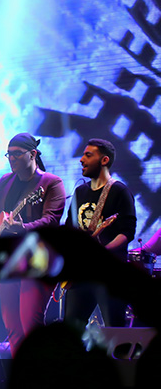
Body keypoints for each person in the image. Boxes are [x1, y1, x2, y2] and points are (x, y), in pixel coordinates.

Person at [0, 133, 65, 354]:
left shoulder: (51, 183)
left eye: (16, 154)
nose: (11, 158)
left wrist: (22, 227)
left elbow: (51, 221)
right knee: (12, 326)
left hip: (38, 257)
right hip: (8, 257)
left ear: (33, 154)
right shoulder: (5, 181)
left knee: (30, 324)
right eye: (9, 154)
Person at [64, 138, 136, 327]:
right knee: (71, 328)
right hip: (81, 274)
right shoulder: (80, 192)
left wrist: (104, 250)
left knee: (115, 328)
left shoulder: (119, 191)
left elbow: (127, 231)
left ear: (104, 160)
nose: (81, 159)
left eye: (88, 155)